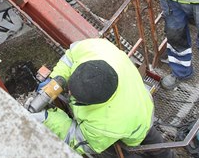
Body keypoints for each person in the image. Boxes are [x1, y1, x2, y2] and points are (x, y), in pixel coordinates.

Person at [30, 38, 174, 158]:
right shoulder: (99, 50)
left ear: (94, 103)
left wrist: (48, 118)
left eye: (74, 95)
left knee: (122, 152)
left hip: (135, 126)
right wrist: (58, 78)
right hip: (142, 104)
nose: (69, 94)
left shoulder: (104, 127)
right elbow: (71, 56)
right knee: (157, 144)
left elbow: (77, 140)